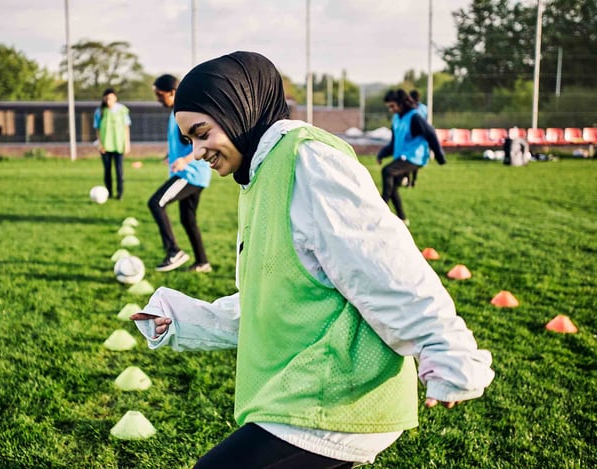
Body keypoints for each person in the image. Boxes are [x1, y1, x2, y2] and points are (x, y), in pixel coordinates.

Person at [131, 52, 494, 469]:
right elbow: (276, 299)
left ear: (238, 110)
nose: (197, 152)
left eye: (202, 133)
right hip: (307, 392)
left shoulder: (308, 161)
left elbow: (384, 263)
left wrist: (446, 349)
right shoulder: (259, 176)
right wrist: (184, 319)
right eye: (189, 141)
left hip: (337, 394)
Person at [148, 74, 213, 273]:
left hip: (190, 174)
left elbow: (202, 141)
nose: (158, 99)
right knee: (188, 220)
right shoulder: (175, 113)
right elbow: (184, 142)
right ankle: (202, 262)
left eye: (160, 94)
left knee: (156, 203)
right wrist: (172, 155)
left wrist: (184, 160)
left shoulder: (185, 112)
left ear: (172, 92)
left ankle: (173, 251)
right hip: (191, 174)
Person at [377, 89, 445, 226]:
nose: (391, 110)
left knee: (387, 171)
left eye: (392, 106)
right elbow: (394, 143)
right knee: (393, 187)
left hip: (415, 157)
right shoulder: (396, 119)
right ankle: (402, 219)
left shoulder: (414, 117)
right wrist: (382, 153)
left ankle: (380, 210)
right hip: (402, 157)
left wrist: (439, 155)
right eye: (389, 107)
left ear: (401, 103)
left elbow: (430, 133)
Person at [93, 87, 131, 200]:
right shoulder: (100, 111)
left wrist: (127, 144)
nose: (108, 101)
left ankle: (120, 193)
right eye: (106, 99)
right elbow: (97, 129)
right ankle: (108, 193)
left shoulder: (122, 110)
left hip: (118, 145)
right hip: (105, 146)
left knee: (119, 171)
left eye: (110, 98)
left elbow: (126, 128)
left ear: (115, 98)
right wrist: (100, 144)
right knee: (107, 171)